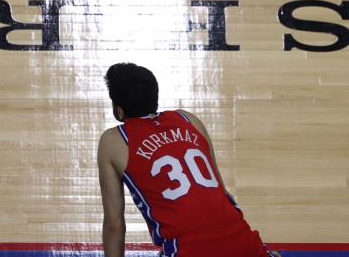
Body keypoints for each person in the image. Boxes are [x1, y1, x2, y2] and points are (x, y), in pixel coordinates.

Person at [97, 63, 281, 257]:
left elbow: (114, 225)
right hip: (244, 242)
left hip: (188, 249)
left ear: (119, 110)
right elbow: (221, 190)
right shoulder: (187, 119)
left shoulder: (113, 141)